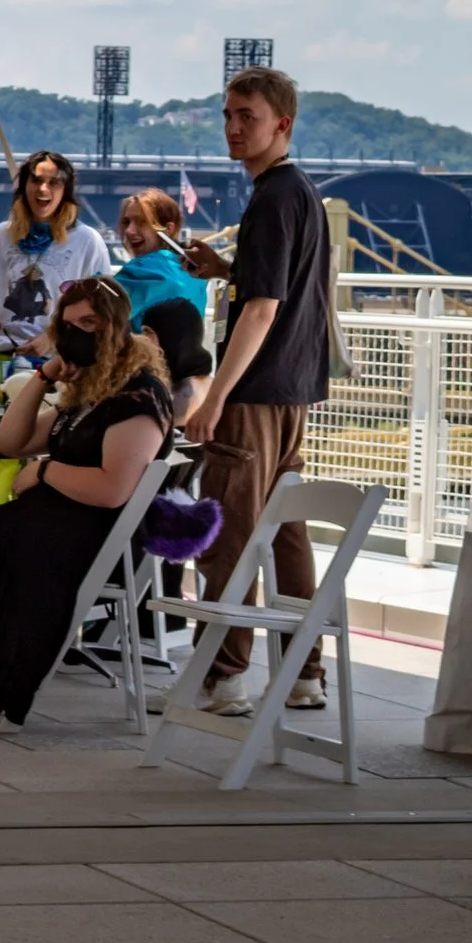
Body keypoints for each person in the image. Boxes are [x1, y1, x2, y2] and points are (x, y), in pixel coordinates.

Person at [0, 277, 174, 730]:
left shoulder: (138, 398)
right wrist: (44, 376)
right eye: (68, 326)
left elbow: (113, 489)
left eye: (89, 322)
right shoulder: (93, 391)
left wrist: (45, 471)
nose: (78, 334)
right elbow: (11, 442)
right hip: (42, 523)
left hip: (84, 537)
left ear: (117, 326)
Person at [175, 66, 335, 717]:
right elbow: (279, 286)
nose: (235, 128)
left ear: (282, 125)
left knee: (229, 531)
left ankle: (225, 676)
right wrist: (224, 268)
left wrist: (214, 398)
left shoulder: (271, 198)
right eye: (229, 116)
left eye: (249, 116)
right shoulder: (301, 193)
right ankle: (304, 673)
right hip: (294, 394)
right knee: (287, 534)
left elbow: (263, 308)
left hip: (254, 396)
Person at [0, 150, 111, 357]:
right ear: (24, 187)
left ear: (65, 191)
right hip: (2, 357)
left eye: (54, 183)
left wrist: (53, 337)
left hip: (58, 361)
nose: (43, 188)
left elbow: (103, 309)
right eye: (36, 180)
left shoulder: (87, 241)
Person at [112, 188, 207, 326]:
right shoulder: (196, 277)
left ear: (168, 229)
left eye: (141, 222)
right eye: (127, 222)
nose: (129, 231)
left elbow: (97, 308)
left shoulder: (142, 271)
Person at [136, 297, 214, 422]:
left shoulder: (185, 392)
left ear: (170, 336)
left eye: (147, 332)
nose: (142, 339)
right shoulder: (206, 381)